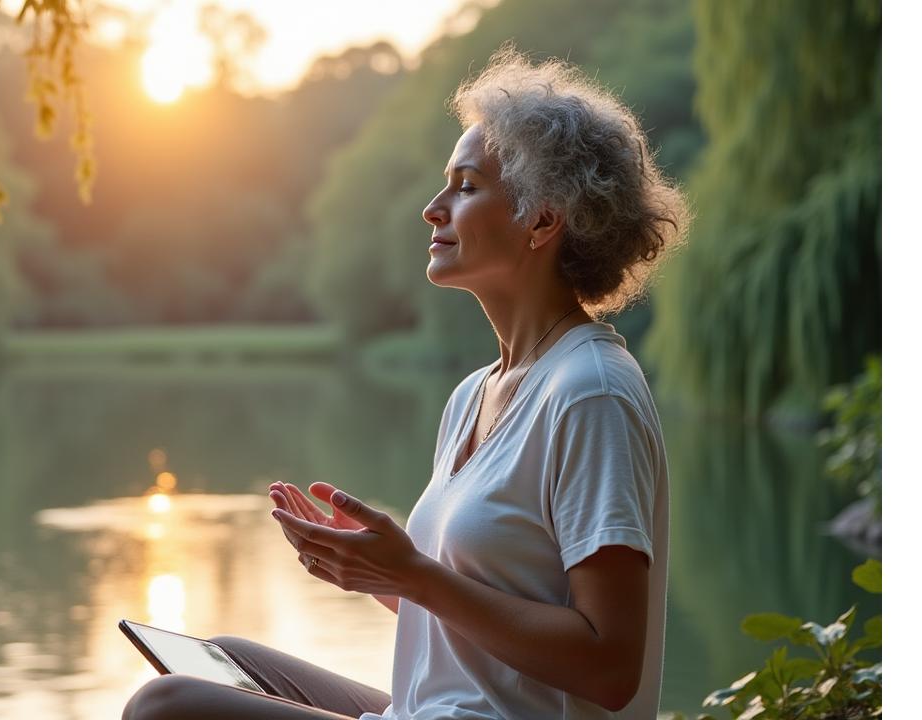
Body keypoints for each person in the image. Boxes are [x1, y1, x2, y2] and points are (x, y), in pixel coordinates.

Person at [121, 44, 690, 720]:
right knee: (228, 659)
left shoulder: (590, 391)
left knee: (167, 706)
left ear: (542, 219)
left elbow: (609, 666)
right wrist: (372, 570)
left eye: (466, 185)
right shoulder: (473, 395)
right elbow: (469, 602)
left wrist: (412, 573)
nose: (433, 206)